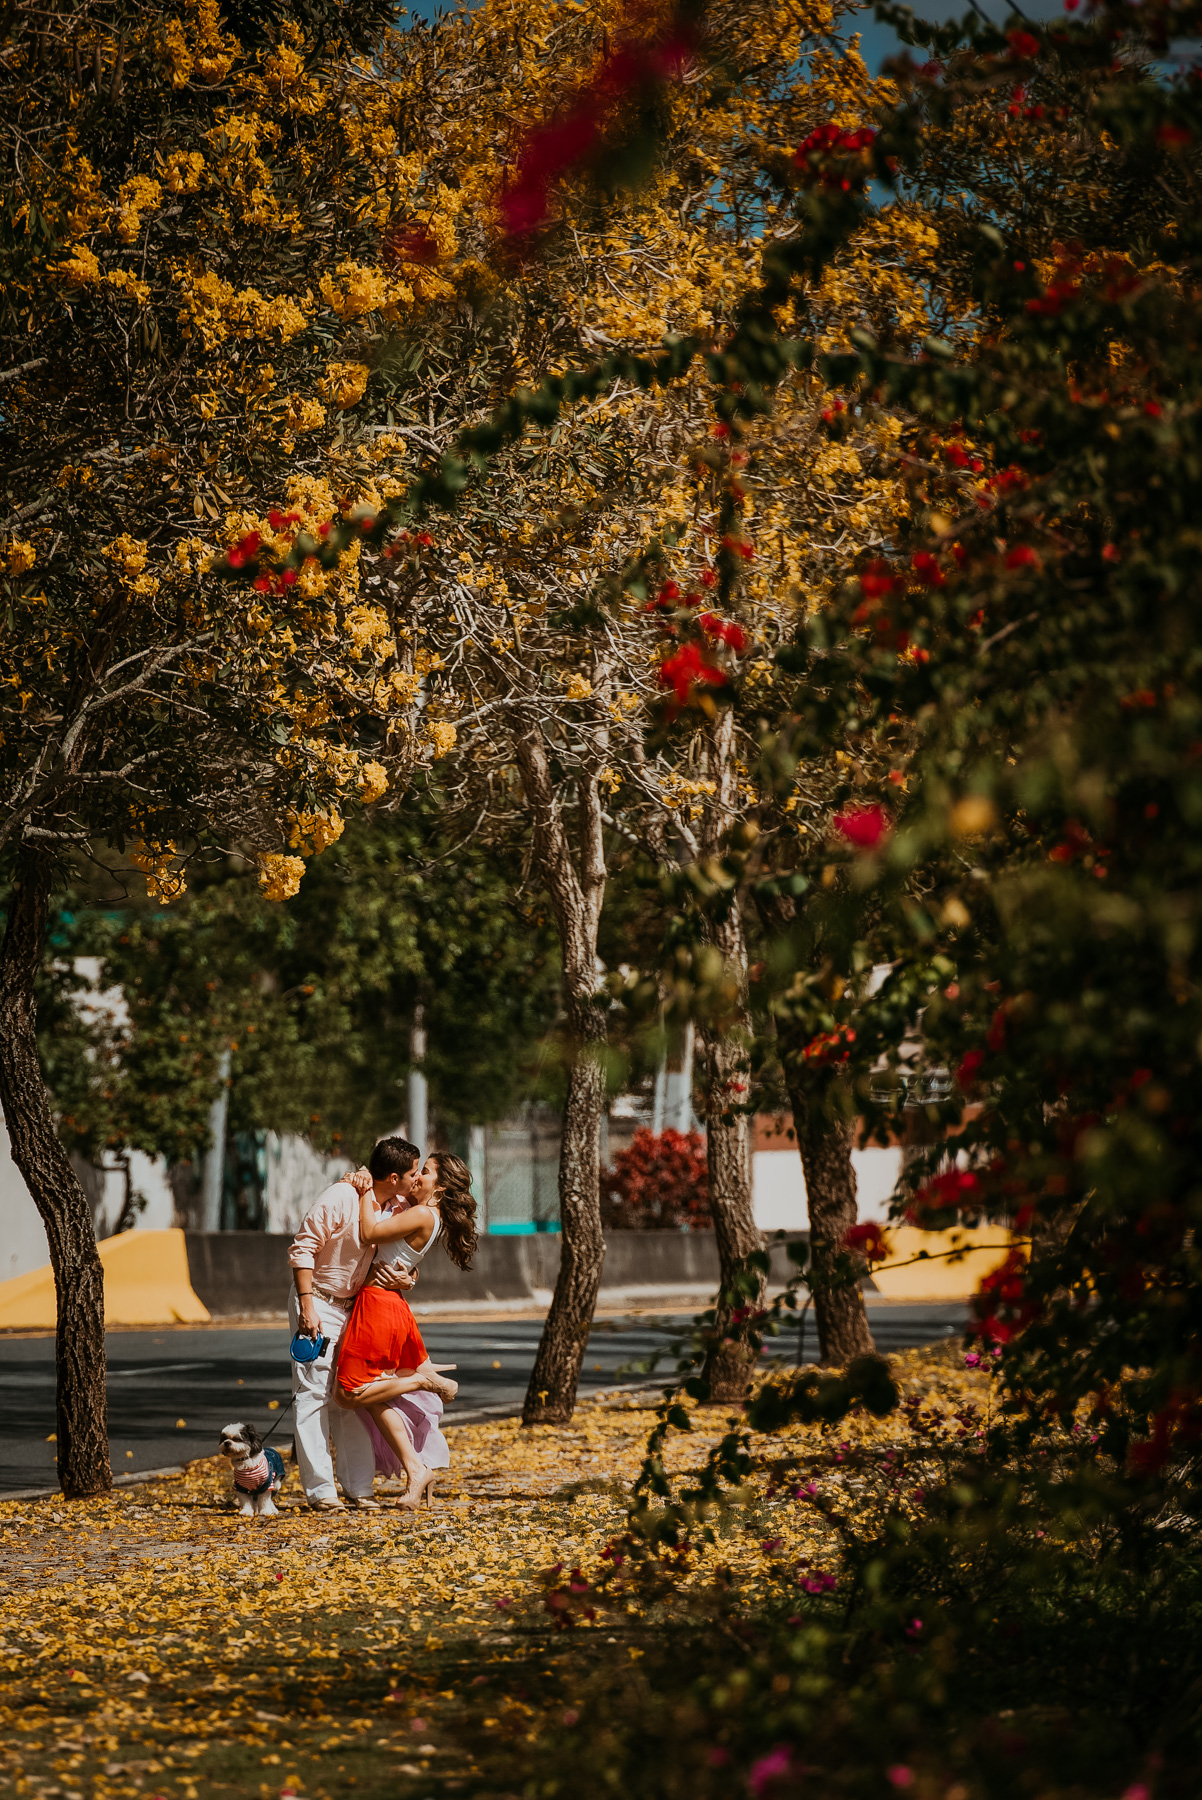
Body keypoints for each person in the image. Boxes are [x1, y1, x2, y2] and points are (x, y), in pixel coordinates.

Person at [335, 1151, 478, 1511]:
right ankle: (417, 1471)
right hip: (389, 1303)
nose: (417, 1179)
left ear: (440, 1187)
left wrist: (366, 1186)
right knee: (372, 1396)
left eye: (425, 1173)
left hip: (378, 1308)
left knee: (349, 1393)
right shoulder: (426, 1214)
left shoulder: (422, 1213)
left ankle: (425, 1382)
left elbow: (368, 1233)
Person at [287, 1136, 422, 1512]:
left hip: (359, 1309)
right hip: (320, 1301)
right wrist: (307, 1307)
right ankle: (321, 1492)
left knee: (350, 1395)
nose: (416, 1179)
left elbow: (402, 1251)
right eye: (412, 1173)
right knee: (312, 1395)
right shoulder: (340, 1197)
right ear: (393, 1176)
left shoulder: (395, 1205)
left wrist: (408, 1277)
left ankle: (359, 1488)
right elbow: (302, 1249)